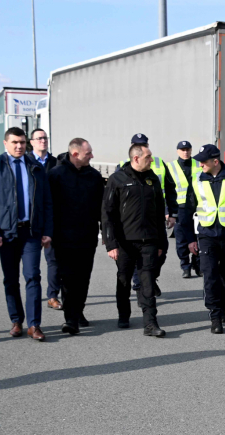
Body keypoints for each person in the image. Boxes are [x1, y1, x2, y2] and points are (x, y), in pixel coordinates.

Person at [0, 127, 54, 341]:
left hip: (31, 231)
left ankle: (34, 325)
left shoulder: (35, 167)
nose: (19, 146)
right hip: (7, 233)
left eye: (22, 142)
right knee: (11, 279)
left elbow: (47, 201)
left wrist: (47, 231)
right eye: (14, 142)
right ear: (5, 144)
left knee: (33, 276)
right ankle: (16, 321)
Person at [179, 144, 225, 334]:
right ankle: (215, 315)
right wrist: (190, 239)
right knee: (210, 274)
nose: (200, 164)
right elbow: (186, 211)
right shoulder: (196, 179)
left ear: (215, 161)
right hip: (207, 235)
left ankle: (222, 303)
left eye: (203, 161)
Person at [102, 142, 167, 337]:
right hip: (125, 242)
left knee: (147, 282)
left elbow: (159, 213)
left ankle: (150, 323)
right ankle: (124, 315)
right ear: (136, 158)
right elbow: (107, 213)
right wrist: (111, 243)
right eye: (148, 157)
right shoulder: (117, 179)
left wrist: (161, 242)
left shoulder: (153, 179)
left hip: (149, 241)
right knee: (123, 279)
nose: (151, 160)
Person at [48, 138, 105, 334]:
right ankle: (70, 319)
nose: (92, 156)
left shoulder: (94, 176)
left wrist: (106, 232)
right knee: (68, 279)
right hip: (63, 238)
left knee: (83, 278)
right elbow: (48, 207)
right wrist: (47, 233)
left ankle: (78, 311)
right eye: (88, 153)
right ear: (75, 154)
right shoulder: (56, 175)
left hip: (87, 237)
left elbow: (102, 208)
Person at [119, 134, 177, 296]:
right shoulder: (123, 167)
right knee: (138, 256)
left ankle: (150, 279)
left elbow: (170, 188)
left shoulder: (158, 163)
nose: (142, 146)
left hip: (154, 218)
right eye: (138, 144)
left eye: (144, 144)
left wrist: (172, 213)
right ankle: (141, 286)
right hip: (132, 222)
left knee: (161, 251)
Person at [30, 128, 63, 312]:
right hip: (31, 219)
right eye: (39, 138)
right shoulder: (26, 161)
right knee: (31, 263)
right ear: (32, 142)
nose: (43, 141)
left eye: (45, 138)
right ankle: (32, 294)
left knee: (53, 260)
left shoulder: (55, 162)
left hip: (52, 217)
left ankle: (52, 296)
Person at [167, 140, 203, 279]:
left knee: (198, 237)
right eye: (183, 150)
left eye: (188, 149)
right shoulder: (170, 166)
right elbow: (167, 190)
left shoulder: (198, 164)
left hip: (198, 206)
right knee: (181, 240)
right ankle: (185, 266)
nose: (185, 152)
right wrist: (168, 210)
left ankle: (197, 265)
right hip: (180, 207)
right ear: (177, 151)